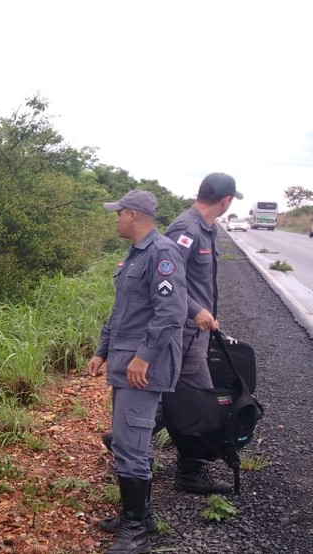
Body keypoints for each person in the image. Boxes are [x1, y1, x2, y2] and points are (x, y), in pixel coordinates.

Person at [87, 190, 187, 554]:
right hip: (125, 361)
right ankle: (138, 515)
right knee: (134, 442)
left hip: (143, 367)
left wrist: (143, 357)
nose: (115, 219)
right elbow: (122, 311)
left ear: (132, 215)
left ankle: (136, 532)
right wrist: (102, 350)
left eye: (118, 214)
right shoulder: (135, 255)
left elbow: (172, 312)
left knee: (129, 445)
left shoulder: (162, 253)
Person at [162, 172, 241, 495]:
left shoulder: (205, 229)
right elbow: (165, 281)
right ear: (226, 200)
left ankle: (126, 439)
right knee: (201, 402)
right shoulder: (186, 229)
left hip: (195, 333)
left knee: (170, 391)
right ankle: (191, 472)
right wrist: (196, 311)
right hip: (184, 332)